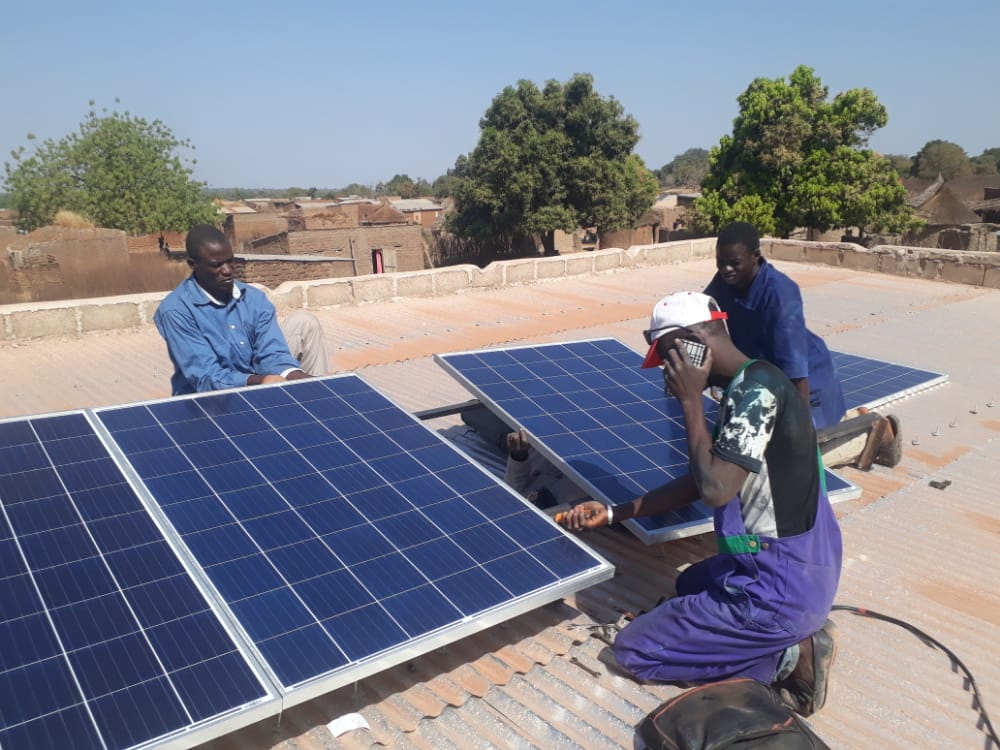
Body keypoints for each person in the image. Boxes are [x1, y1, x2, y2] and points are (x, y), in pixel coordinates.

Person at [561, 291, 842, 717]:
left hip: (777, 590)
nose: (668, 376)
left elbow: (715, 491)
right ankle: (781, 634)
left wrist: (690, 400)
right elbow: (704, 478)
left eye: (669, 360)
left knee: (635, 650)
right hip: (805, 565)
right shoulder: (757, 381)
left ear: (691, 342)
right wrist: (615, 512)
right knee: (688, 584)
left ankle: (791, 656)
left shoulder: (754, 397)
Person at [154, 224, 330, 395]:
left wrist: (295, 376)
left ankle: (320, 399)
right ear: (193, 265)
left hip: (256, 377)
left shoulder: (253, 298)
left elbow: (271, 352)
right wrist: (259, 381)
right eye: (217, 265)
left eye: (230, 261)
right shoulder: (177, 311)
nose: (228, 270)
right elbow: (207, 378)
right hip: (208, 397)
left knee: (305, 321)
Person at [704, 221, 846, 431]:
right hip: (768, 375)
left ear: (755, 257)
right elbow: (703, 311)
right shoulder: (725, 280)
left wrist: (800, 431)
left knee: (805, 445)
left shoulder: (780, 295)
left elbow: (796, 373)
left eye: (734, 263)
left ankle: (880, 431)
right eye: (720, 262)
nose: (726, 269)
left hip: (809, 384)